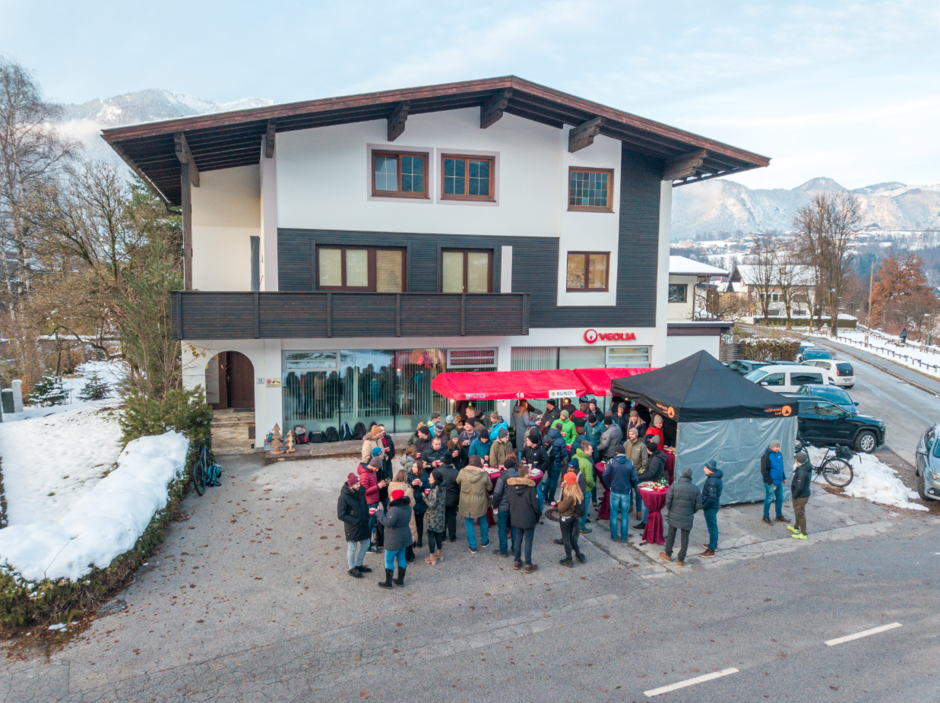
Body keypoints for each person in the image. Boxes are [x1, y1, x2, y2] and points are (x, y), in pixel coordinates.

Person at [660, 467, 702, 567]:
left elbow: (668, 501)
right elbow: (698, 505)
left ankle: (668, 554)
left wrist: (671, 510)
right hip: (687, 516)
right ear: (690, 476)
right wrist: (691, 512)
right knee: (685, 539)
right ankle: (681, 560)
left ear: (682, 474)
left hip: (674, 514)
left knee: (671, 535)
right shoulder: (696, 489)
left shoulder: (674, 486)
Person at [506, 464, 542, 573]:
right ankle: (528, 564)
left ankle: (517, 561)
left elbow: (508, 500)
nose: (531, 474)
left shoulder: (512, 487)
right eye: (530, 473)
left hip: (516, 517)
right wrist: (538, 516)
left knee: (518, 539)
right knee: (528, 541)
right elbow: (536, 506)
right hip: (528, 518)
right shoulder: (531, 488)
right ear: (526, 475)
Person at [376, 488, 413, 588]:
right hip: (405, 536)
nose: (390, 497)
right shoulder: (407, 507)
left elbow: (388, 523)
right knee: (401, 557)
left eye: (391, 496)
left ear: (394, 498)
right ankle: (400, 581)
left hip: (394, 538)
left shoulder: (394, 510)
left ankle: (388, 583)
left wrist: (379, 513)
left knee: (389, 559)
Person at [337, 473, 372, 578]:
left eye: (359, 483)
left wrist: (367, 515)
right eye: (357, 484)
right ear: (351, 485)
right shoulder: (343, 497)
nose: (359, 485)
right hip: (353, 526)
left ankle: (359, 564)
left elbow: (364, 504)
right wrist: (356, 521)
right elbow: (341, 515)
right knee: (352, 547)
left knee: (366, 544)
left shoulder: (360, 491)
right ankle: (352, 568)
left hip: (363, 523)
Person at [457, 456, 494, 553]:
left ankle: (472, 546)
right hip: (480, 501)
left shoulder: (462, 472)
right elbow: (490, 488)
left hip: (465, 501)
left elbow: (457, 481)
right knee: (483, 521)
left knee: (469, 524)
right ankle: (485, 541)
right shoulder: (484, 474)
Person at [604, 448, 639, 542]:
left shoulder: (611, 462)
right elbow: (635, 478)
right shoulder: (630, 463)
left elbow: (605, 475)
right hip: (625, 492)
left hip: (614, 491)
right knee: (624, 516)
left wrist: (609, 486)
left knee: (614, 514)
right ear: (625, 453)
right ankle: (624, 537)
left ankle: (614, 536)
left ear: (616, 452)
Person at [634, 440, 667, 530]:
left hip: (653, 482)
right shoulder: (657, 456)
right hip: (655, 481)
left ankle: (645, 522)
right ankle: (648, 522)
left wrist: (640, 477)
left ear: (648, 450)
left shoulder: (655, 459)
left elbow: (652, 473)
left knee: (647, 504)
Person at [358, 455, 387, 552]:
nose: (378, 470)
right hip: (369, 503)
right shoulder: (365, 475)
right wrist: (378, 486)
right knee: (369, 525)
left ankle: (369, 543)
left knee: (373, 523)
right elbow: (364, 491)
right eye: (377, 468)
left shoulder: (372, 471)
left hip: (374, 501)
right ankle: (368, 547)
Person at [491, 456, 519, 557]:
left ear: (505, 467)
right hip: (515, 507)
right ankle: (516, 549)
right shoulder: (518, 476)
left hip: (503, 507)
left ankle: (503, 550)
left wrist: (495, 505)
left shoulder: (502, 478)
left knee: (502, 528)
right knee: (514, 528)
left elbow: (497, 494)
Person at [556, 472, 586, 567]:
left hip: (566, 518)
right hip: (573, 518)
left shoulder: (569, 495)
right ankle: (579, 555)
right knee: (571, 537)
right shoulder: (577, 491)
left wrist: (559, 502)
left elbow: (561, 508)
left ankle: (569, 559)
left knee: (566, 539)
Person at [387, 469, 417, 563]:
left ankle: (399, 555)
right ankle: (409, 555)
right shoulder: (407, 489)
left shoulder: (391, 487)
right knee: (408, 534)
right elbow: (412, 503)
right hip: (406, 513)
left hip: (395, 512)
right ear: (405, 477)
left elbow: (390, 498)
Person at [760, 440, 789, 526]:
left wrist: (783, 477)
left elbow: (781, 467)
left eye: (778, 447)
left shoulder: (779, 454)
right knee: (769, 499)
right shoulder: (766, 456)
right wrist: (769, 481)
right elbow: (763, 470)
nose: (777, 448)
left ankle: (779, 516)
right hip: (771, 483)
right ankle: (765, 516)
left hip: (779, 481)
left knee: (780, 498)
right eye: (776, 447)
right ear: (771, 447)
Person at [698, 460, 723, 558]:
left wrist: (704, 506)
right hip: (714, 506)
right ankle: (714, 544)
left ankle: (711, 550)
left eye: (705, 467)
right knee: (714, 526)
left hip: (710, 508)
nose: (704, 469)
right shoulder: (715, 478)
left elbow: (711, 498)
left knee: (712, 527)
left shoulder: (712, 481)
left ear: (710, 469)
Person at [571, 440, 596, 533]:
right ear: (585, 450)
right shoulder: (587, 463)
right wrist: (593, 486)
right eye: (591, 449)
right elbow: (589, 480)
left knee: (575, 508)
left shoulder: (575, 457)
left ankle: (574, 525)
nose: (592, 450)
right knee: (583, 510)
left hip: (574, 487)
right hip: (585, 490)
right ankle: (581, 527)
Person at [437, 453, 461, 542]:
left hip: (441, 498)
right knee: (452, 517)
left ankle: (442, 535)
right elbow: (459, 486)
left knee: (442, 517)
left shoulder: (437, 471)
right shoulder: (456, 472)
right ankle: (452, 536)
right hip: (453, 498)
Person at [424, 470, 447, 564]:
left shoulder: (434, 491)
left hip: (433, 517)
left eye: (431, 477)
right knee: (438, 534)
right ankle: (439, 554)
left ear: (435, 480)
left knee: (431, 535)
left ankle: (432, 557)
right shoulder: (443, 488)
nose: (429, 478)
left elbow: (431, 505)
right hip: (441, 515)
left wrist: (424, 497)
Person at [789, 451, 812, 540]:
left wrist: (794, 495)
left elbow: (799, 486)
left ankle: (803, 533)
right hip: (804, 494)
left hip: (801, 496)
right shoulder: (806, 467)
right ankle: (796, 527)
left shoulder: (802, 471)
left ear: (797, 460)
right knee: (798, 512)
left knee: (800, 514)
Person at [544, 425, 567, 509]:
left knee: (548, 478)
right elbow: (564, 454)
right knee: (554, 481)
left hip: (548, 461)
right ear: (561, 430)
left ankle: (544, 496)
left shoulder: (546, 436)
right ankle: (551, 499)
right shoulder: (561, 440)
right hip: (556, 463)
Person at [409, 460, 430, 550]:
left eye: (416, 467)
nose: (414, 469)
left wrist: (421, 484)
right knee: (412, 522)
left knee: (420, 522)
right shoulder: (409, 476)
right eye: (413, 467)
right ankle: (413, 540)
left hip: (421, 501)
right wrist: (411, 484)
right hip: (412, 501)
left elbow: (428, 487)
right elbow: (405, 487)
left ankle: (419, 540)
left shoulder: (425, 476)